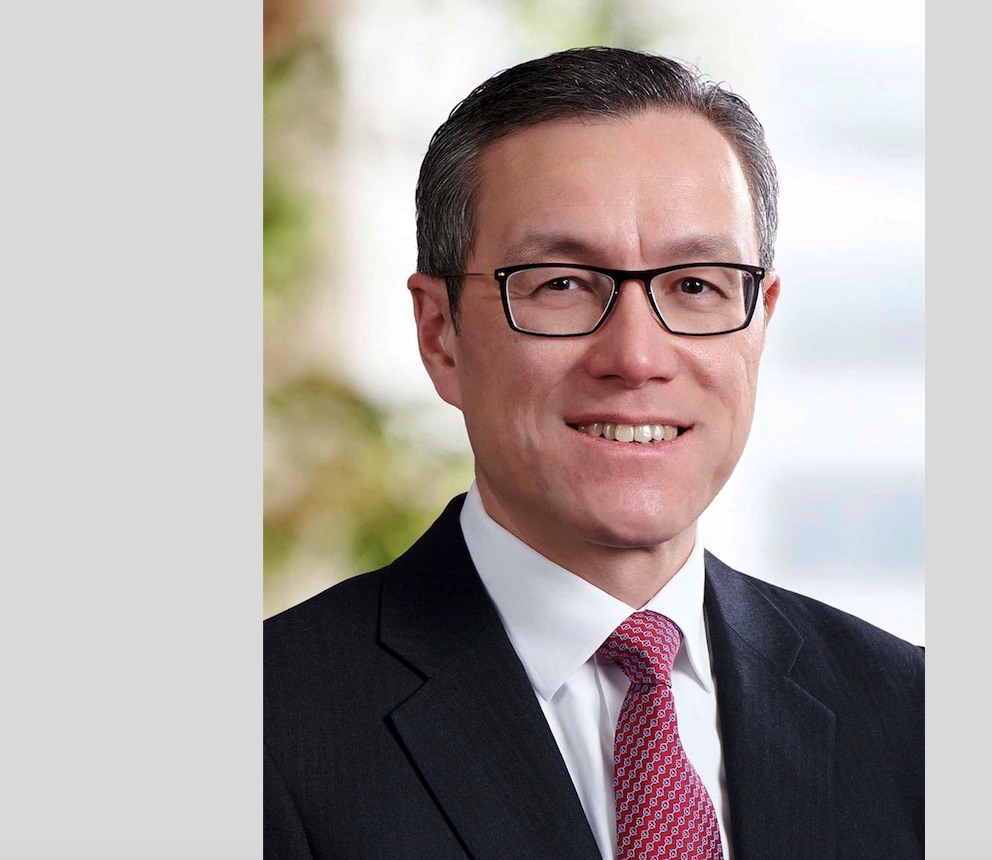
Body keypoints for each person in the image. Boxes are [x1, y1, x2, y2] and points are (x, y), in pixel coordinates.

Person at [264, 46, 923, 860]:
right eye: (561, 284)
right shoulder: (269, 728)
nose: (636, 357)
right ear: (440, 334)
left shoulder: (912, 717)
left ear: (761, 319)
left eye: (695, 284)